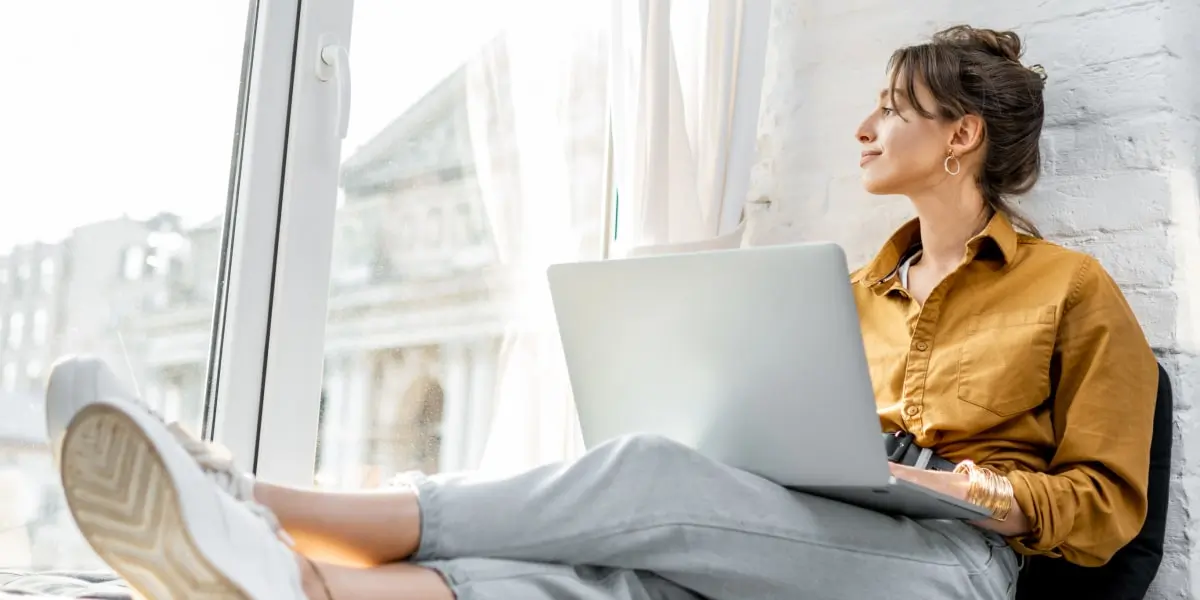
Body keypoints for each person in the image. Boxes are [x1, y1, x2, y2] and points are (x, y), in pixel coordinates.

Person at [45, 25, 1157, 600]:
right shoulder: (843, 295)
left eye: (892, 109)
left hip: (951, 570)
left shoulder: (1070, 290)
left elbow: (1107, 510)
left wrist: (968, 490)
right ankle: (302, 585)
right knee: (614, 585)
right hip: (817, 534)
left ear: (961, 135)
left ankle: (251, 500)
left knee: (646, 478)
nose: (863, 129)